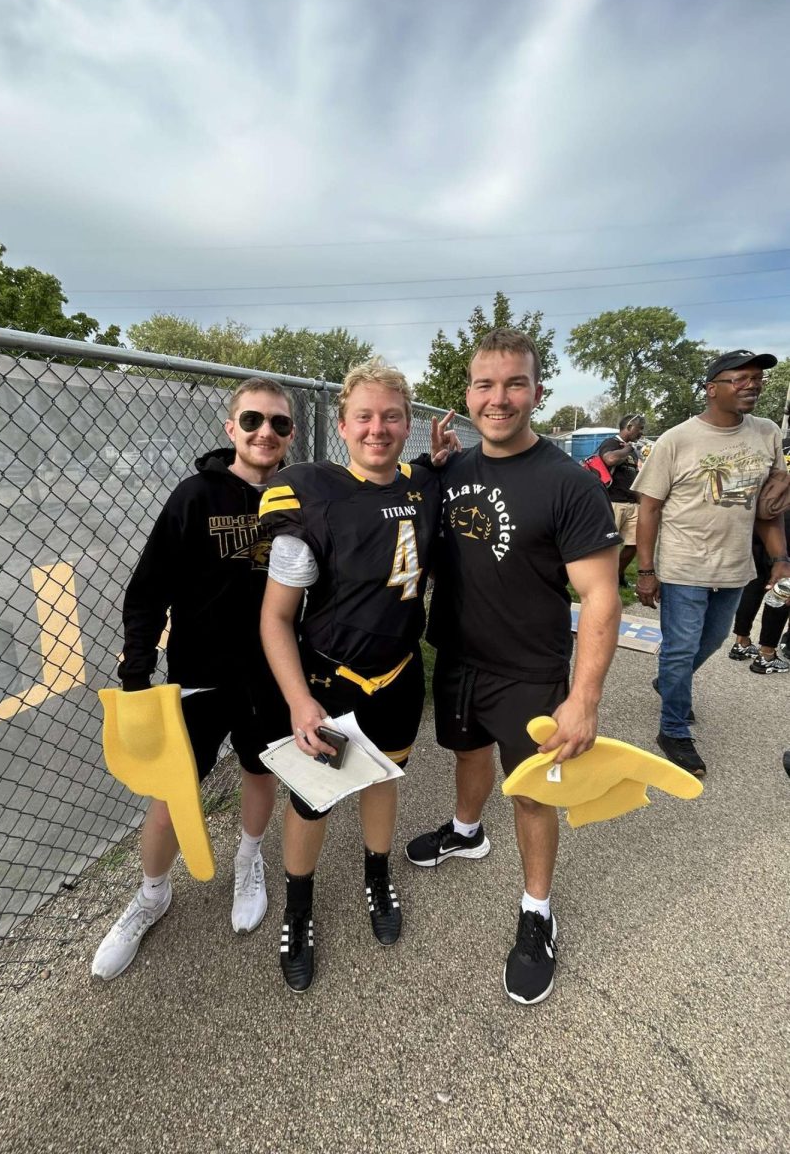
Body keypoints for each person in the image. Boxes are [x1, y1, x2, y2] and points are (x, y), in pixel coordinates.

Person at [406, 328, 622, 1006]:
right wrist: (429, 464)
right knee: (465, 749)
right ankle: (467, 832)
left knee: (530, 793)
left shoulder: (568, 485)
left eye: (514, 383)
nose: (498, 398)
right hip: (459, 655)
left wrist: (583, 698)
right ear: (468, 393)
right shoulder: (451, 468)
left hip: (528, 670)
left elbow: (601, 596)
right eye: (485, 384)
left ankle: (537, 912)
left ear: (537, 390)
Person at [91, 379, 295, 980]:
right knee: (170, 796)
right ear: (231, 428)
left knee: (262, 772)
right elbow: (148, 589)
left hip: (270, 674)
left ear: (290, 435)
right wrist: (136, 672)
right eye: (253, 420)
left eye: (280, 424)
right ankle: (152, 894)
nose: (266, 432)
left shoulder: (297, 496)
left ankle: (249, 860)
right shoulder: (195, 496)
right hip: (198, 678)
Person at [258, 358, 442, 992]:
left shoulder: (423, 485)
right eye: (364, 416)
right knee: (312, 798)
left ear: (408, 423)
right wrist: (299, 701)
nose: (378, 428)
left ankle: (376, 872)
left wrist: (438, 461)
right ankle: (299, 906)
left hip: (399, 670)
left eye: (391, 416)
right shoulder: (313, 494)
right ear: (341, 425)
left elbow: (427, 484)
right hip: (333, 680)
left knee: (383, 778)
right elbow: (276, 619)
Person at [634, 350, 790, 776]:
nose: (752, 385)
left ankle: (670, 680)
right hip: (684, 564)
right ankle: (674, 729)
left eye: (757, 378)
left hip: (736, 565)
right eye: (740, 378)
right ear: (711, 388)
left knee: (716, 638)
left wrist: (780, 558)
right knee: (682, 647)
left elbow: (767, 508)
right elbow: (648, 509)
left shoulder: (767, 433)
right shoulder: (676, 440)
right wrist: (646, 571)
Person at [728, 510, 790, 674]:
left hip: (763, 520)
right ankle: (766, 655)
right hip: (784, 529)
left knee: (754, 582)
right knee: (781, 589)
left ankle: (741, 643)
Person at [597, 413, 646, 586]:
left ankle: (617, 574)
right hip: (613, 502)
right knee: (608, 545)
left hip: (632, 503)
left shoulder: (633, 451)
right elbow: (609, 459)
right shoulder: (612, 443)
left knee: (635, 544)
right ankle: (601, 580)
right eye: (640, 429)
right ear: (630, 427)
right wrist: (628, 448)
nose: (641, 433)